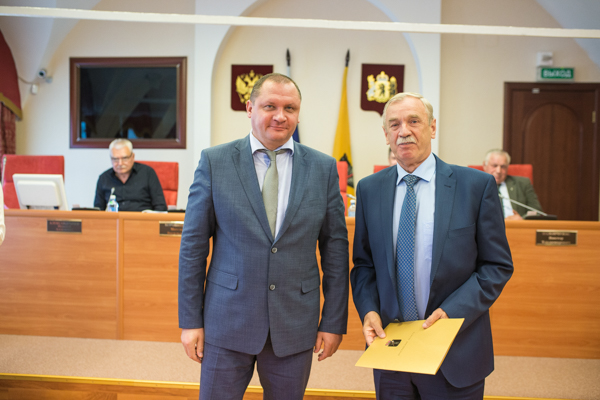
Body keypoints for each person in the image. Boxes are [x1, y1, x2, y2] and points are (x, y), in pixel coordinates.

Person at [178, 73, 349, 400]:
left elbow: (336, 253)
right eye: (270, 106)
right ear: (250, 108)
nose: (280, 116)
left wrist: (333, 322)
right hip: (226, 321)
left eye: (290, 108)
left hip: (294, 324)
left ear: (298, 113)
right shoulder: (215, 162)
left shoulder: (323, 168)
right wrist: (190, 321)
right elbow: (193, 248)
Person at [351, 92, 513, 399]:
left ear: (433, 127)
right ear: (386, 134)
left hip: (454, 350)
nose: (404, 131)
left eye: (414, 121)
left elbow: (496, 266)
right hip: (391, 352)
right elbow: (364, 265)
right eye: (394, 124)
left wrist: (452, 312)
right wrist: (368, 309)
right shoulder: (369, 189)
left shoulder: (475, 186)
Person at [94, 138, 167, 211]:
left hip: (142, 217)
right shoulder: (104, 178)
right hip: (114, 217)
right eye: (115, 159)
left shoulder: (148, 173)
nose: (120, 163)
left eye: (125, 158)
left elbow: (160, 207)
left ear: (132, 157)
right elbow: (98, 210)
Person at [483, 149, 543, 220]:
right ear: (484, 165)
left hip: (517, 225)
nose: (498, 171)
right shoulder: (476, 186)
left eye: (503, 167)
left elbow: (536, 211)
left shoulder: (523, 183)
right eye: (494, 166)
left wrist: (522, 219)